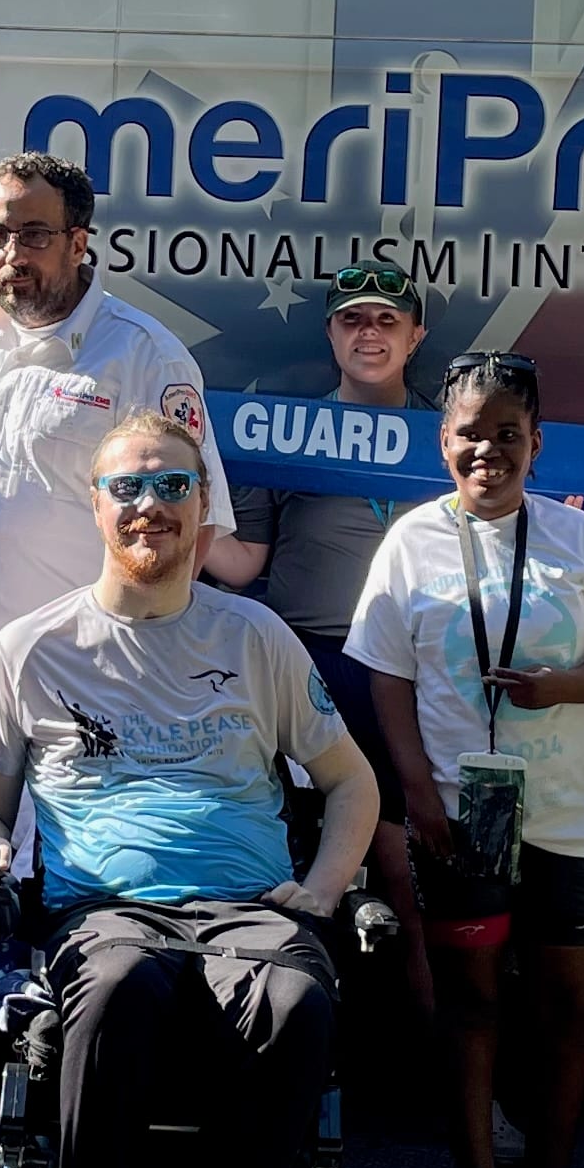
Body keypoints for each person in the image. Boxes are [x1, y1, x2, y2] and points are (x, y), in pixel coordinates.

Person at [0, 415, 377, 1168]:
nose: (151, 505)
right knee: (115, 992)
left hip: (247, 909)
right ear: (94, 504)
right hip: (103, 911)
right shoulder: (32, 647)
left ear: (202, 508)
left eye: (173, 486)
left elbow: (351, 783)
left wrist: (319, 890)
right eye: (129, 487)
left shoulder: (256, 638)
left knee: (294, 1000)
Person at [344, 351, 584, 1168]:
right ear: (444, 442)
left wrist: (563, 689)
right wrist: (417, 791)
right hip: (458, 816)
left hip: (566, 814)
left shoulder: (579, 539)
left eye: (507, 435)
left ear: (536, 443)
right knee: (471, 1007)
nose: (489, 451)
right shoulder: (411, 541)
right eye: (470, 434)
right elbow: (386, 677)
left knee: (568, 1010)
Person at [0, 150, 231, 801]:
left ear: (78, 242)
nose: (11, 252)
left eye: (34, 235)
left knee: (65, 874)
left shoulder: (143, 355)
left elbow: (194, 528)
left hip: (84, 670)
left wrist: (136, 653)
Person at [207, 263, 439, 1037]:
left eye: (385, 321)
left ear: (416, 337)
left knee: (415, 873)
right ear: (331, 334)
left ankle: (443, 1064)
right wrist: (177, 512)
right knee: (282, 859)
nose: (367, 334)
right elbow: (243, 565)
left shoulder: (455, 437)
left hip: (420, 675)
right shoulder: (284, 432)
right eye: (351, 321)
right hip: (310, 665)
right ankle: (280, 1043)